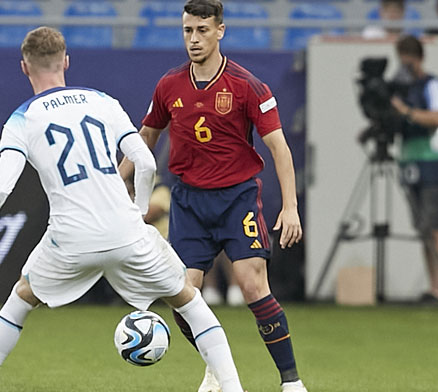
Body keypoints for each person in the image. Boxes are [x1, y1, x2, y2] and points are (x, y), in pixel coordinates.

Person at [0, 26, 244, 392]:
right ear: (66, 62)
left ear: (24, 68)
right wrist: (138, 211)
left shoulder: (22, 119)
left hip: (70, 239)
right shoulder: (102, 101)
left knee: (20, 302)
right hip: (127, 231)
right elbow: (145, 162)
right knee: (189, 302)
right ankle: (233, 387)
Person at [120, 1, 306, 391]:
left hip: (236, 198)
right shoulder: (169, 85)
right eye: (188, 30)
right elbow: (145, 140)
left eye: (202, 30)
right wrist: (115, 185)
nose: (194, 38)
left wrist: (290, 207)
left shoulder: (247, 86)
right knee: (181, 294)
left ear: (220, 31)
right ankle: (217, 369)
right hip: (189, 201)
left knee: (253, 286)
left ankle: (291, 382)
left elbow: (280, 148)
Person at [390, 35, 438, 304]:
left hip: (437, 162)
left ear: (419, 58)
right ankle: (434, 288)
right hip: (413, 163)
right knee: (424, 230)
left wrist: (406, 112)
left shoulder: (433, 85)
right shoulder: (402, 89)